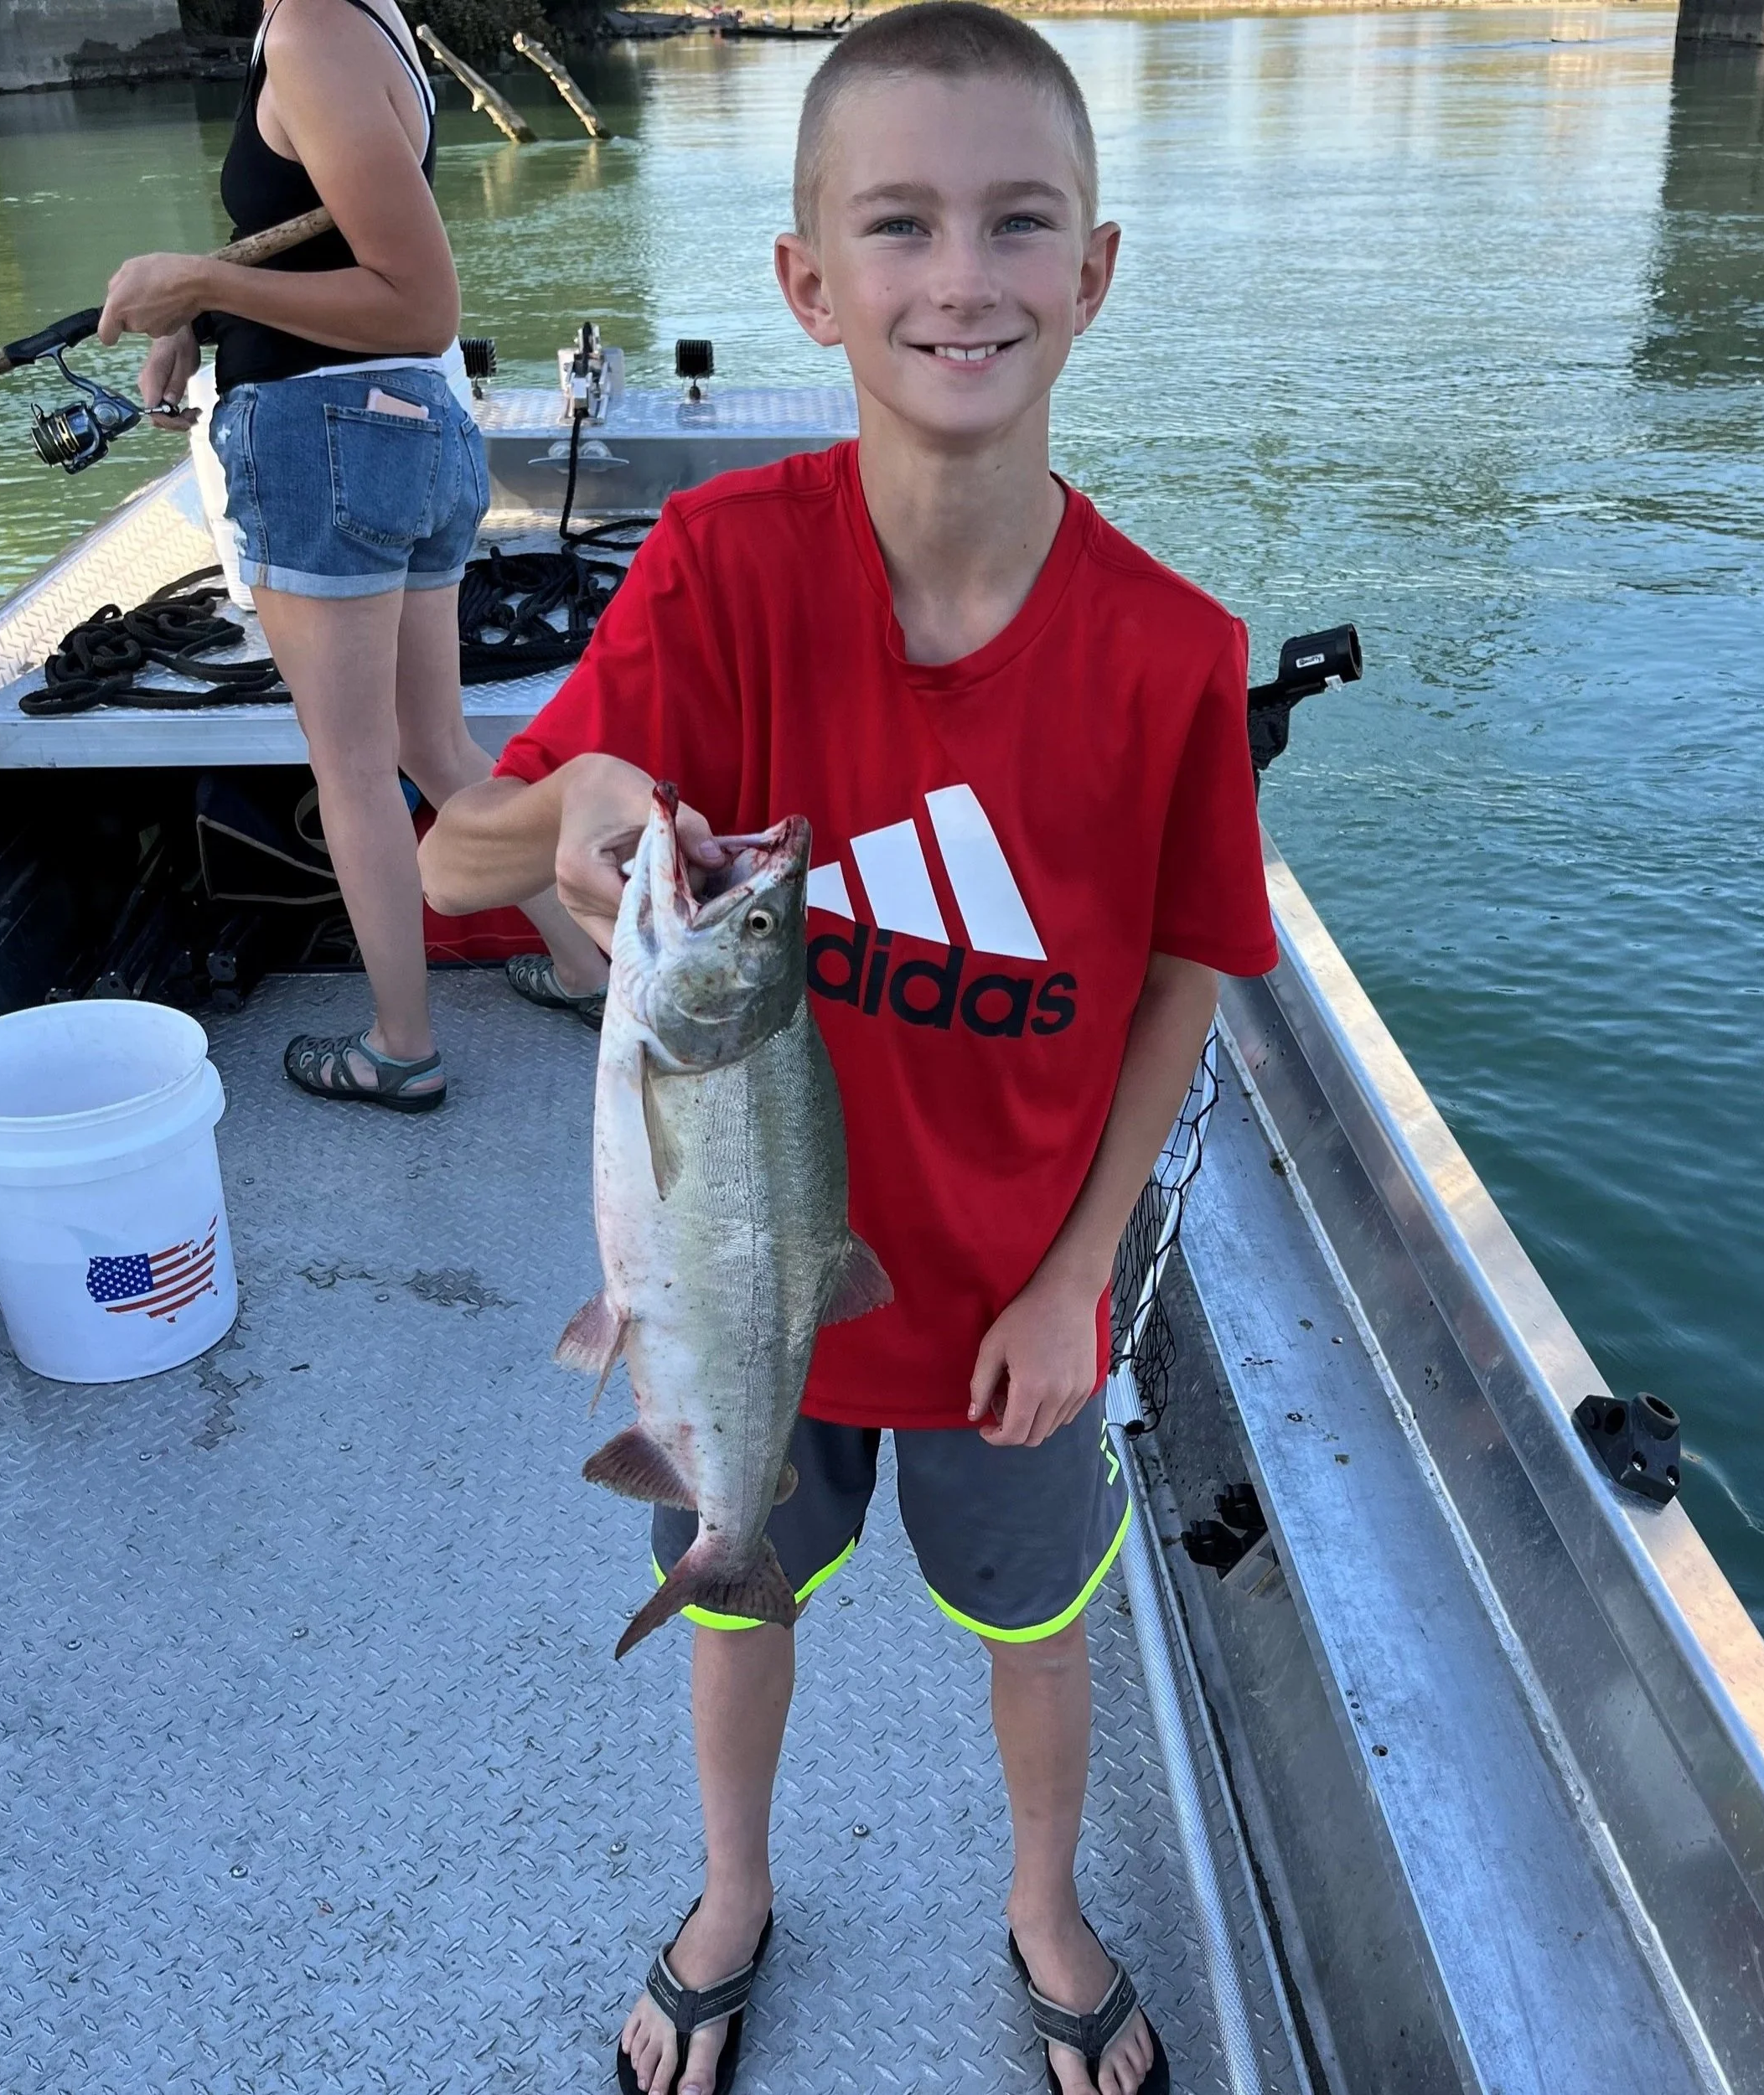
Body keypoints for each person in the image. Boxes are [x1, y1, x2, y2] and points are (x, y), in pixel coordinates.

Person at [420, 7, 1277, 2091]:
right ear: (808, 280)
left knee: (1036, 1626)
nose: (958, 276)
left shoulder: (1175, 653)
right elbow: (461, 856)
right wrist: (598, 788)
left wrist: (1078, 1274)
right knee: (737, 1594)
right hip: (739, 1310)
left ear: (1091, 270)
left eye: (1016, 225)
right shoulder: (718, 574)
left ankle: (1044, 1898)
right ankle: (731, 1883)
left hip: (1007, 1309)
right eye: (896, 224)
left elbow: (1186, 961)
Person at [95, 0, 607, 1113]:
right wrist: (204, 308)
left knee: (355, 770)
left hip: (325, 443)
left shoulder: (316, 29)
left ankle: (400, 1044)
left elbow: (420, 301)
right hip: (411, 429)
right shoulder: (366, 18)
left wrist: (211, 284)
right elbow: (336, 237)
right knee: (432, 740)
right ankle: (586, 964)